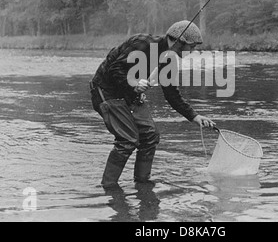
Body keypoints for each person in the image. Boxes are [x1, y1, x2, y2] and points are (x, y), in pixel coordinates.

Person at [90, 20, 216, 190]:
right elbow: (114, 70)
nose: (193, 51)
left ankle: (142, 184)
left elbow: (171, 94)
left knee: (150, 137)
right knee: (128, 139)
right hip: (106, 91)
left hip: (130, 95)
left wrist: (194, 116)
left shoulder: (170, 61)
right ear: (180, 41)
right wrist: (133, 85)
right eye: (192, 47)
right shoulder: (142, 43)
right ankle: (109, 187)